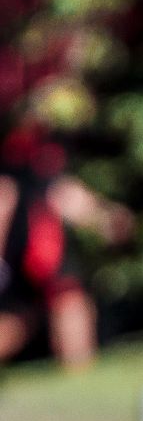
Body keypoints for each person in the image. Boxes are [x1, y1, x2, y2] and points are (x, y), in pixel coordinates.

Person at [0, 131, 98, 368]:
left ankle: (77, 371)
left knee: (69, 302)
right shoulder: (13, 157)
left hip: (49, 255)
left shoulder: (51, 150)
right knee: (18, 320)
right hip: (23, 252)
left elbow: (69, 196)